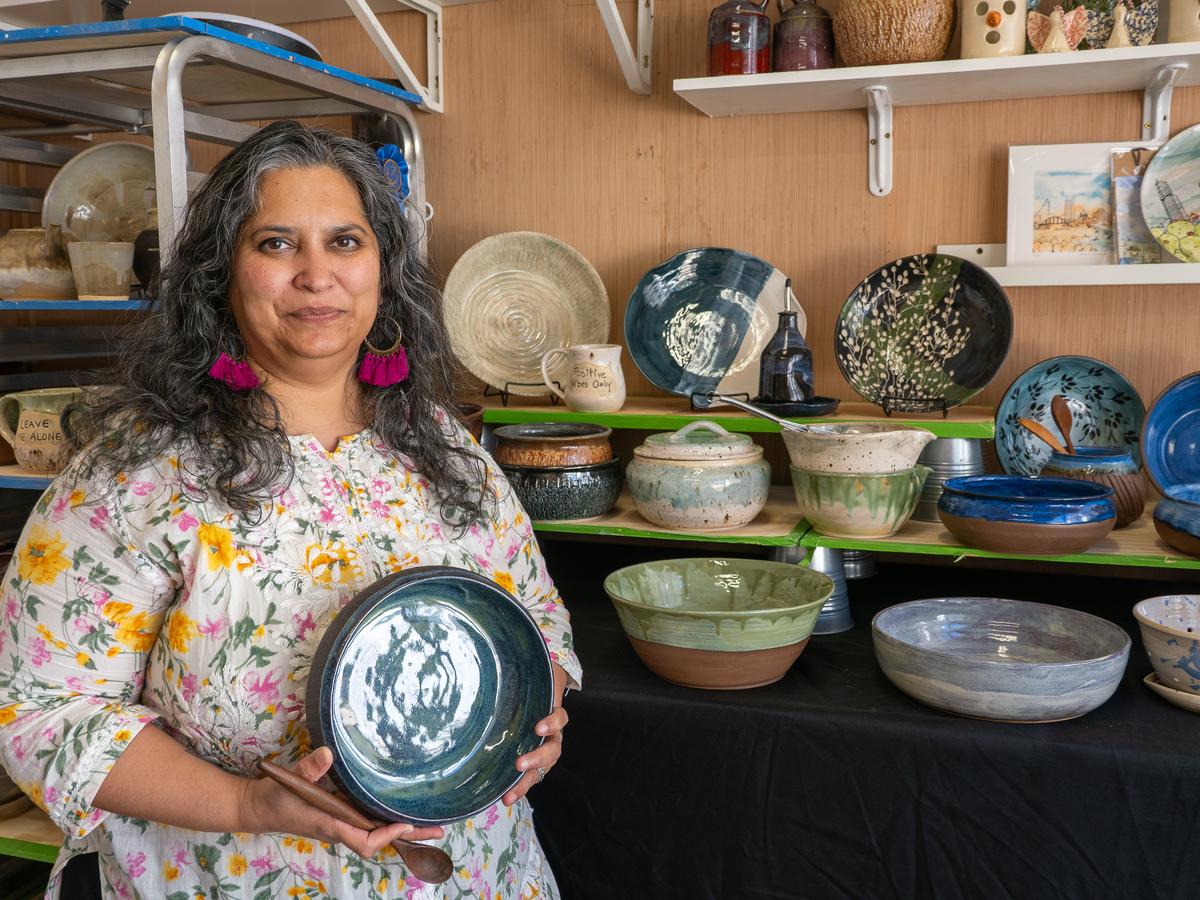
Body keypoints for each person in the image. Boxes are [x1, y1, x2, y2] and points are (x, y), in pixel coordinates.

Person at [0, 120, 580, 899]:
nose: (317, 275)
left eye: (345, 242)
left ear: (383, 267)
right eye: (276, 244)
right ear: (221, 274)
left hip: (480, 875)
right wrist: (246, 802)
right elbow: (39, 712)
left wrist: (538, 718)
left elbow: (536, 617)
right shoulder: (135, 472)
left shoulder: (441, 444)